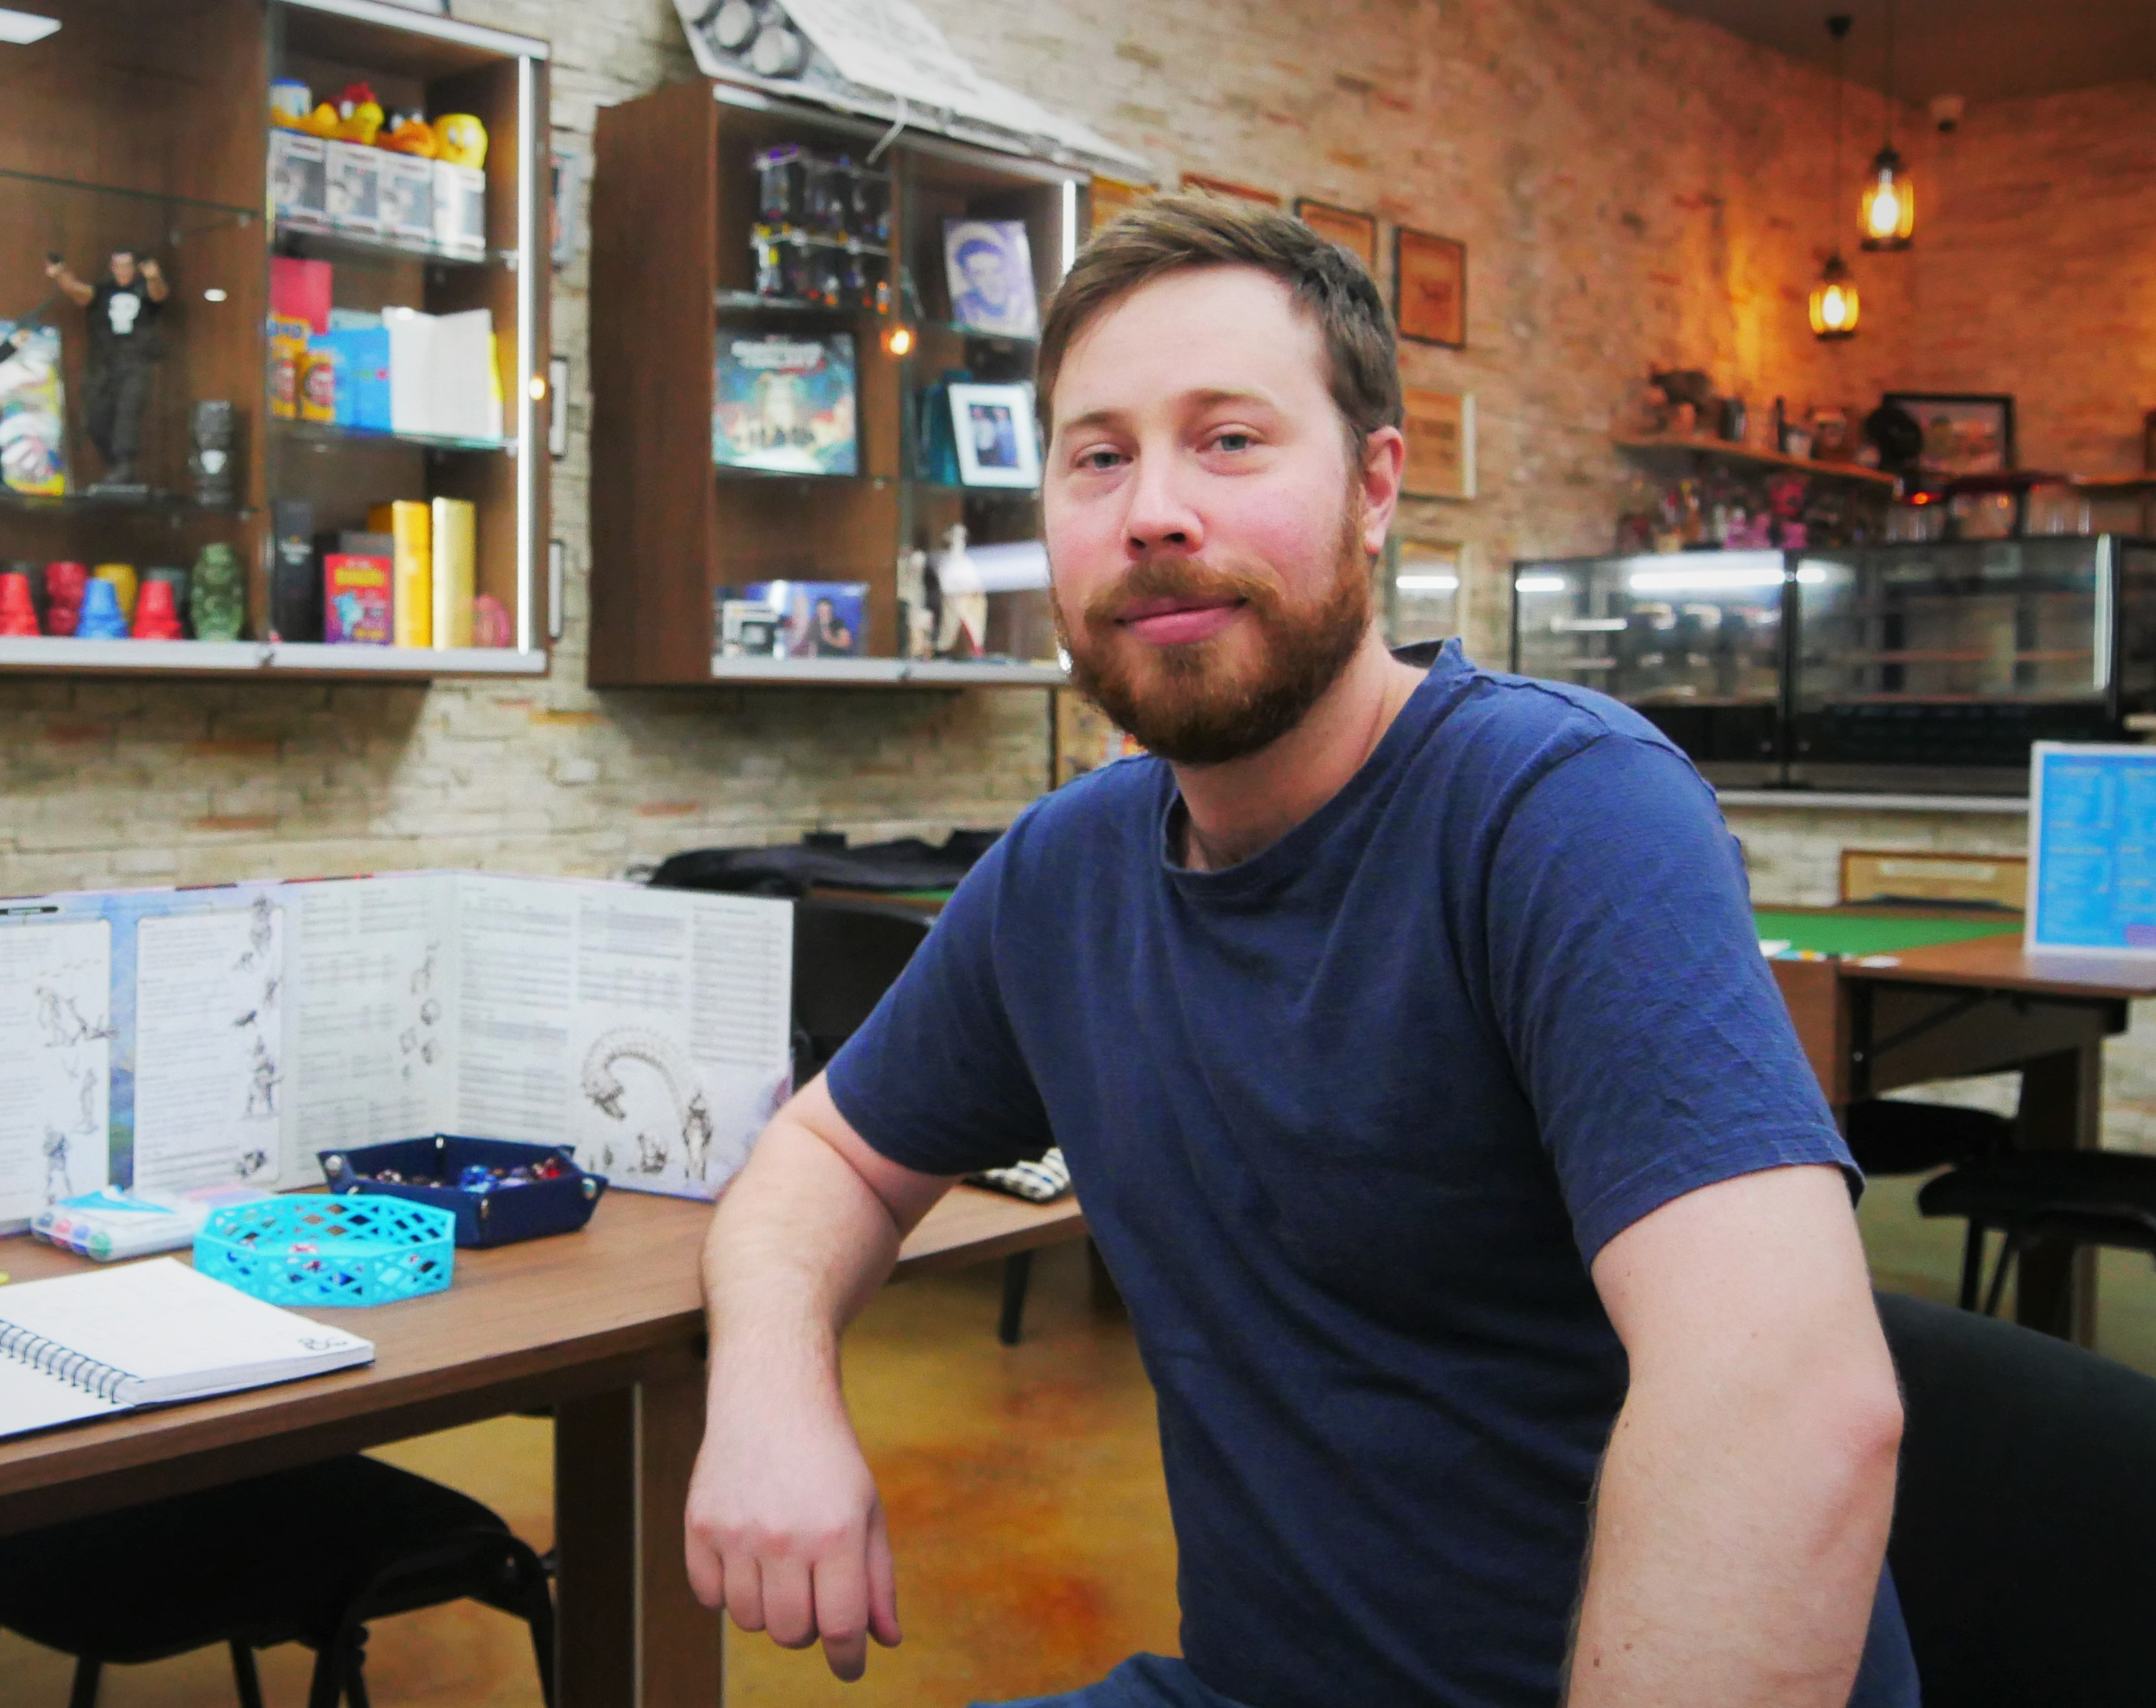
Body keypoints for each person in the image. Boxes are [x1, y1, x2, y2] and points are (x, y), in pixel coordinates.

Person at [686, 194, 1915, 1708]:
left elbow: (1787, 1406)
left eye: (1229, 440)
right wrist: (771, 1388)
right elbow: (822, 1163)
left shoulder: (1561, 811)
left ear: (1375, 484)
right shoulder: (1063, 873)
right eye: (1097, 456)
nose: (1151, 509)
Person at [46, 247, 169, 488]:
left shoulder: (144, 290)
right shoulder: (103, 291)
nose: (123, 270)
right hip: (104, 364)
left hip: (136, 362)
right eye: (118, 265)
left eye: (127, 265)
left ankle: (124, 464)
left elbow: (159, 295)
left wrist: (154, 276)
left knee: (127, 412)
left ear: (134, 268)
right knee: (94, 416)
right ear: (112, 268)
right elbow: (78, 292)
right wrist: (61, 275)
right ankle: (117, 466)